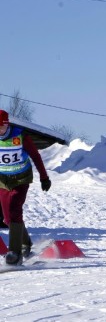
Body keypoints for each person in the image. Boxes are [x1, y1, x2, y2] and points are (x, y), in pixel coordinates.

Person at [0, 109, 51, 265]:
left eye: (0, 127)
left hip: (21, 179)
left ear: (6, 124)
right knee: (7, 218)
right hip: (2, 180)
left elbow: (35, 156)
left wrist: (44, 177)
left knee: (15, 211)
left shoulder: (20, 136)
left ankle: (15, 253)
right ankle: (26, 244)